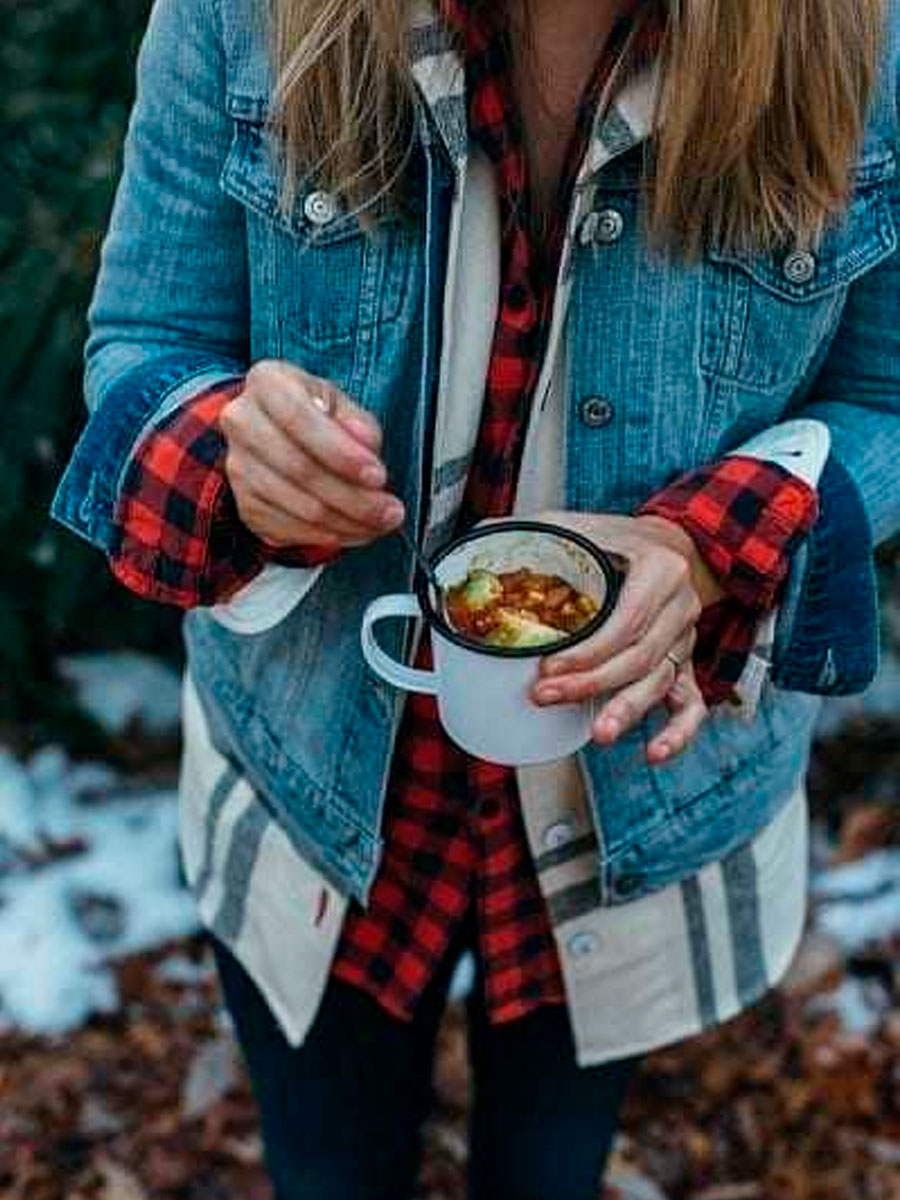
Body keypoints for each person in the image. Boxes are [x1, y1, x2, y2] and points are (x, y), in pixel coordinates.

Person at [52, 0, 900, 1196]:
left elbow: (889, 394)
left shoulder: (866, 39)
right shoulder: (238, 15)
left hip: (627, 810)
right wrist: (231, 448)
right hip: (313, 774)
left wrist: (711, 548)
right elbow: (144, 338)